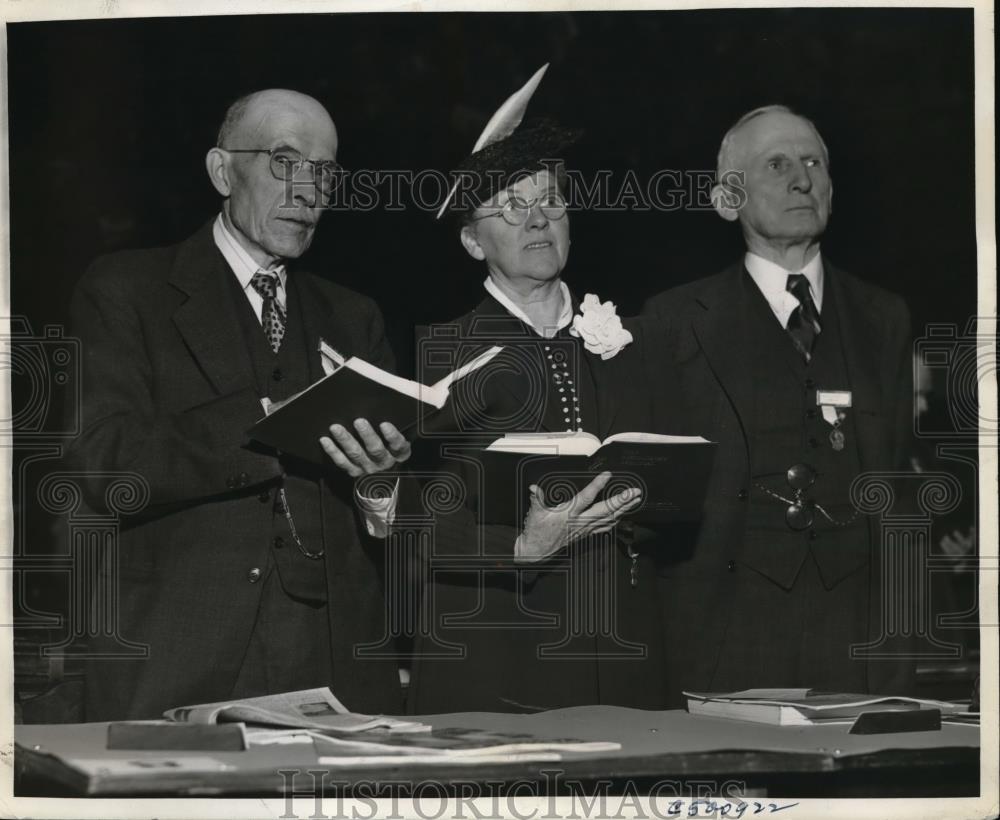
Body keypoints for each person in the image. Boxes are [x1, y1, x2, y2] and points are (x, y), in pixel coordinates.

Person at [67, 89, 411, 721]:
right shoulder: (126, 290)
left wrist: (379, 489)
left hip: (333, 667)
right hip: (176, 658)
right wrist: (265, 413)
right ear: (222, 171)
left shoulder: (354, 316)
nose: (308, 189)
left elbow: (397, 521)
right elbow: (103, 466)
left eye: (325, 171)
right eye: (285, 160)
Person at [642, 105, 914, 702]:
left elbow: (896, 488)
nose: (802, 178)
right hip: (721, 644)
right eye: (777, 164)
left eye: (814, 162)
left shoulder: (884, 318)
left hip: (858, 645)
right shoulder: (674, 322)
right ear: (726, 199)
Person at [405, 111, 672, 714]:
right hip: (501, 640)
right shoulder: (443, 352)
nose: (536, 219)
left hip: (621, 638)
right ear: (473, 242)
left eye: (550, 200)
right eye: (508, 207)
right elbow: (417, 520)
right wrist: (518, 548)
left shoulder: (635, 340)